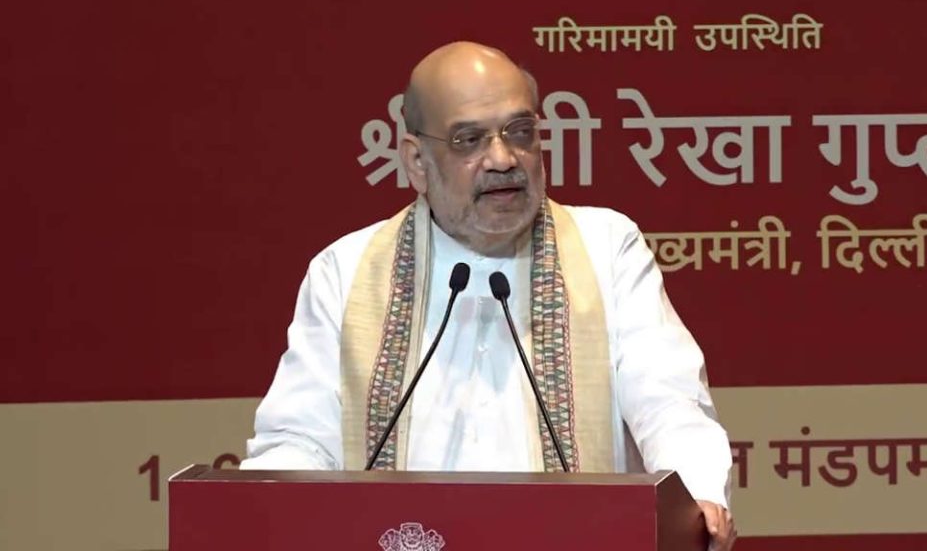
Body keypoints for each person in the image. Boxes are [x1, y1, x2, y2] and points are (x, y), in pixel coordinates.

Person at [242, 41, 736, 550]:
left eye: (520, 132)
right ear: (417, 161)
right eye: (469, 140)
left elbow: (670, 404)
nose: (503, 159)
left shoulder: (607, 249)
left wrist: (695, 497)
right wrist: (263, 517)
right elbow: (298, 442)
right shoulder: (344, 272)